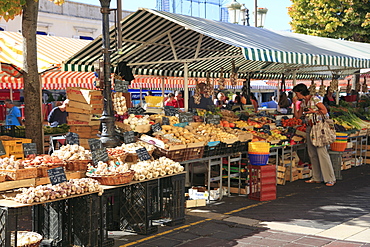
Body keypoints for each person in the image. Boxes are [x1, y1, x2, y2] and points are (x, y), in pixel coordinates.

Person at [292, 83, 336, 187]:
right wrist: (294, 104)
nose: (296, 95)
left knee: (322, 152)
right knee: (312, 153)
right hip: (309, 127)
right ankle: (317, 177)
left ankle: (330, 178)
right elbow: (298, 116)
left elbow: (324, 111)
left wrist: (313, 111)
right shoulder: (303, 102)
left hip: (318, 128)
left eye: (296, 93)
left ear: (301, 92)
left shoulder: (315, 99)